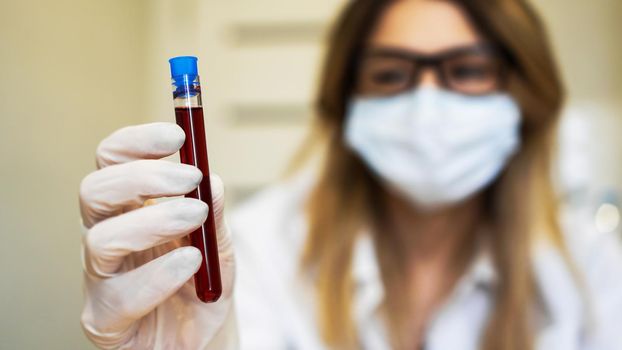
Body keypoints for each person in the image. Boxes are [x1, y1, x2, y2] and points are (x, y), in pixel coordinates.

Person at [78, 0, 622, 349]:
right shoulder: (261, 252)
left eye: (468, 70)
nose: (425, 102)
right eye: (390, 73)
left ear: (525, 94)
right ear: (345, 101)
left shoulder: (592, 274)